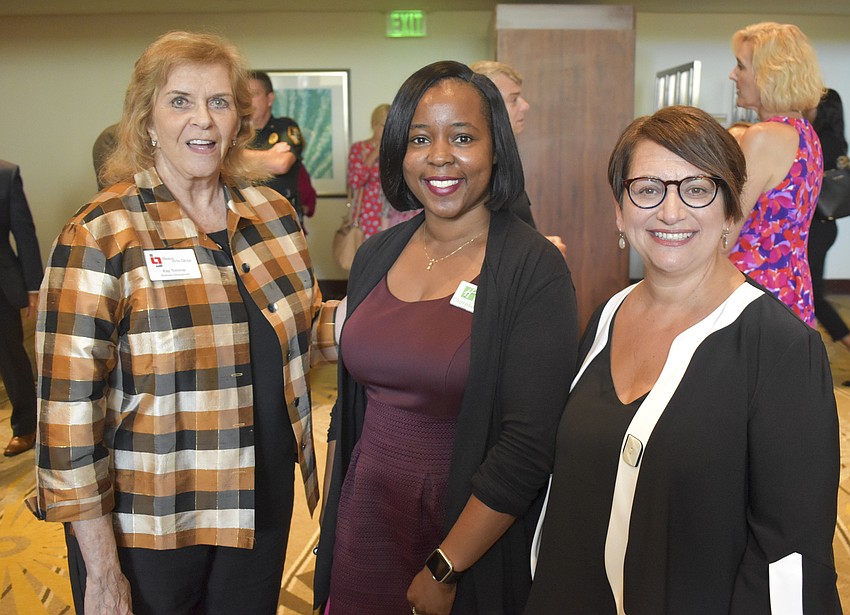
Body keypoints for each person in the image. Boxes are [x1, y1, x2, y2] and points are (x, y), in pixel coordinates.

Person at [34, 31, 334, 615]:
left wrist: (423, 298)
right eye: (180, 101)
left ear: (239, 119)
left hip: (258, 509)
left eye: (219, 102)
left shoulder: (273, 216)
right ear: (146, 119)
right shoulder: (102, 233)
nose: (203, 120)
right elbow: (67, 422)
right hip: (151, 525)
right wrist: (101, 570)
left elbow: (305, 329)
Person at [525, 105, 840, 614]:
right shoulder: (607, 314)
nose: (671, 213)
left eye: (697, 189)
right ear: (620, 212)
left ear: (732, 211)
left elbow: (791, 557)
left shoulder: (779, 349)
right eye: (648, 189)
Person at [314, 60, 578, 615]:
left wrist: (447, 563)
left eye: (462, 137)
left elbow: (529, 443)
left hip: (463, 531)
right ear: (398, 152)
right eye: (419, 138)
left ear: (496, 149)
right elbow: (350, 399)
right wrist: (336, 507)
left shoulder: (533, 268)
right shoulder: (376, 255)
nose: (440, 156)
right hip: (365, 515)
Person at [727, 21, 824, 326]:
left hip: (751, 292)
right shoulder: (807, 134)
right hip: (791, 287)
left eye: (740, 66)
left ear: (769, 75)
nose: (733, 74)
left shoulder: (764, 136)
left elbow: (726, 232)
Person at [471, 60, 567, 258]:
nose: (525, 105)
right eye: (514, 99)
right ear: (489, 107)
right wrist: (544, 255)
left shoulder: (503, 162)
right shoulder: (479, 171)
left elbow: (509, 235)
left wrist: (541, 245)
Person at [0, 160, 42, 456]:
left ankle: (26, 426)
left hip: (1, 283)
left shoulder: (6, 174)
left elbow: (24, 233)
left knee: (10, 357)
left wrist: (33, 287)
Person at [809, 88, 850, 358]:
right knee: (815, 296)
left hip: (815, 227)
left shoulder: (816, 141)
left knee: (814, 298)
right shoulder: (838, 143)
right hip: (825, 226)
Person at [245, 69, 308, 226]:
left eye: (253, 94)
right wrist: (269, 155)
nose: (247, 101)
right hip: (246, 218)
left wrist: (237, 156)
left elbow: (281, 164)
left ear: (270, 98)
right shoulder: (235, 133)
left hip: (282, 218)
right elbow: (223, 161)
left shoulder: (285, 127)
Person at [346, 103, 415, 238]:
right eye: (384, 126)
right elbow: (355, 182)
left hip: (396, 211)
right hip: (368, 212)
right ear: (374, 124)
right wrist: (373, 155)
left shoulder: (399, 149)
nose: (388, 130)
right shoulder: (359, 149)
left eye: (391, 126)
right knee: (369, 254)